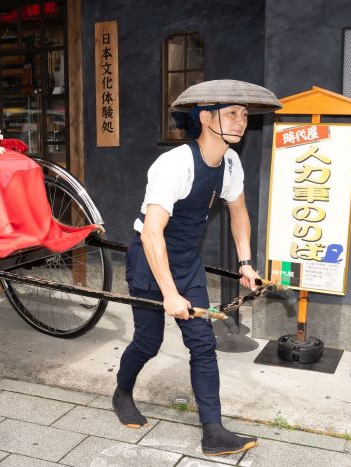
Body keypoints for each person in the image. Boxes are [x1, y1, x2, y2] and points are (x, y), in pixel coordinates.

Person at [112, 80, 282, 456]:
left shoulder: (230, 162)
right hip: (150, 258)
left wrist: (245, 262)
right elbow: (153, 233)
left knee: (203, 345)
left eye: (244, 115)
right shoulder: (175, 164)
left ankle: (213, 432)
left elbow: (238, 213)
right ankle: (122, 392)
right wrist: (170, 294)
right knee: (148, 341)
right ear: (206, 118)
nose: (241, 121)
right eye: (232, 113)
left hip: (187, 259)